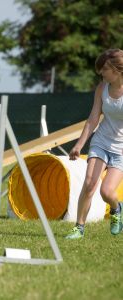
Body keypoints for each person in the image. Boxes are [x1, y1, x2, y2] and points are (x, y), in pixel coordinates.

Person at [65, 48, 123, 239]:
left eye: (104, 69)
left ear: (117, 69)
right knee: (89, 183)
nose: (100, 73)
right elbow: (93, 119)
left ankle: (116, 209)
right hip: (101, 142)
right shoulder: (102, 88)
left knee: (107, 191)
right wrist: (79, 145)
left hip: (121, 149)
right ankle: (79, 228)